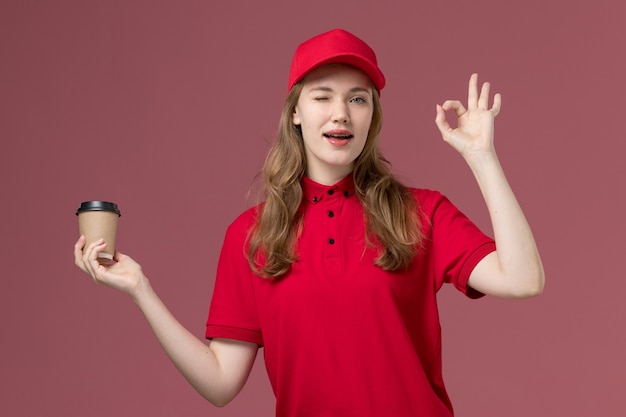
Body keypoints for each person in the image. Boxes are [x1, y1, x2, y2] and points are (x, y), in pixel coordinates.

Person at [74, 28, 544, 416]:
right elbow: (220, 383)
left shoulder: (421, 211)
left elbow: (523, 279)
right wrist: (140, 288)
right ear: (295, 112)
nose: (341, 113)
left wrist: (483, 158)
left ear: (371, 117)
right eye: (323, 97)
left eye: (358, 100)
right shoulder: (251, 235)